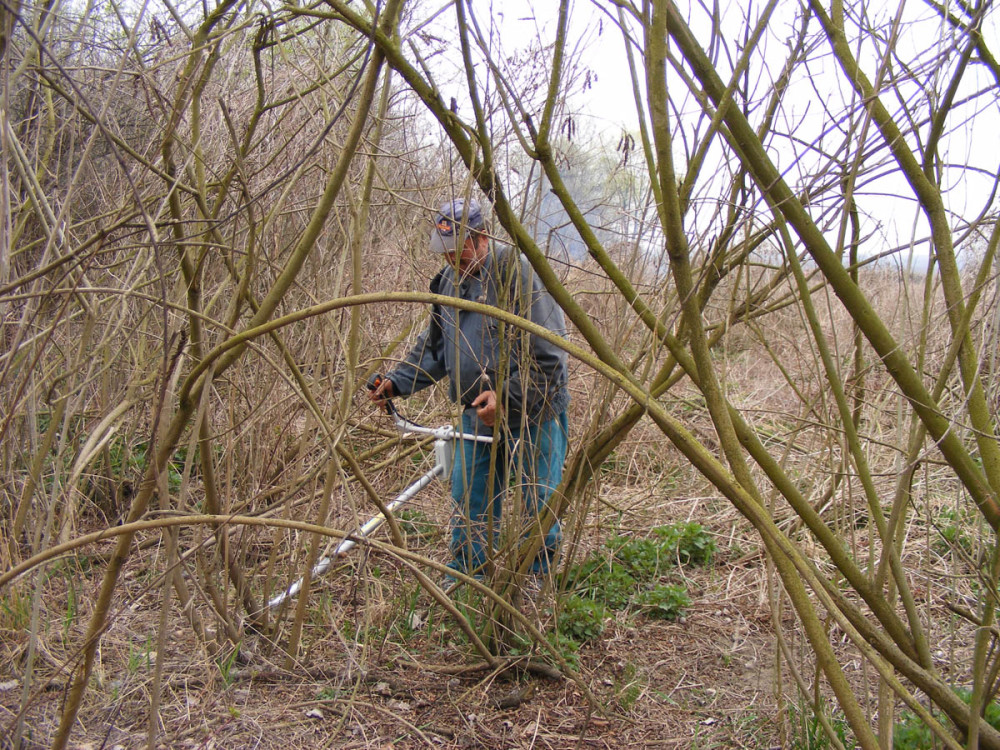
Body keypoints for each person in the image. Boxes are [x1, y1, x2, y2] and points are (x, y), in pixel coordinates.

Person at [369, 198, 570, 578]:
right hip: (474, 413)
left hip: (533, 410)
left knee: (538, 499)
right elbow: (436, 346)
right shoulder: (448, 281)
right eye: (445, 255)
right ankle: (468, 576)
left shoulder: (518, 272)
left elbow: (550, 357)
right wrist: (397, 381)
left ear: (482, 238)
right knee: (468, 497)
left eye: (459, 255)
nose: (452, 264)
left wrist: (507, 398)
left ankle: (538, 576)